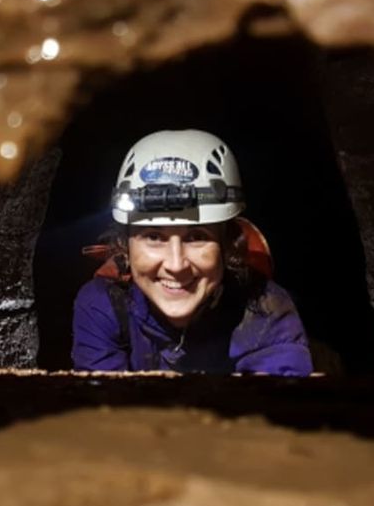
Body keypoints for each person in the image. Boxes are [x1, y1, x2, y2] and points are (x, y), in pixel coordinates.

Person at [71, 129, 314, 376]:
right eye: (154, 237)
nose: (176, 265)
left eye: (197, 237)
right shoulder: (105, 305)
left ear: (227, 245)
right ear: (125, 246)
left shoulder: (265, 310)